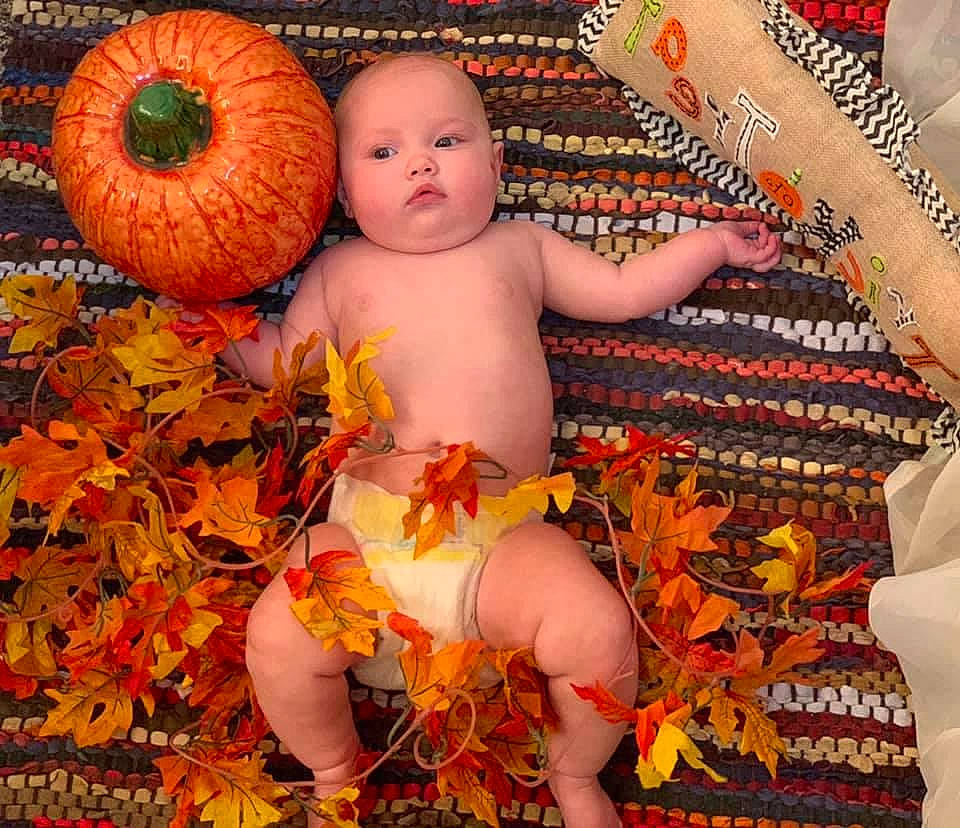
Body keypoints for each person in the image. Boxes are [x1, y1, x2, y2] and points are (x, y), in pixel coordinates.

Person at [229, 54, 781, 828]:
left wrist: (712, 247)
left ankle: (577, 775)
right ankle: (330, 766)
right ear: (345, 195)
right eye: (384, 153)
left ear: (495, 163)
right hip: (365, 545)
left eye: (446, 142)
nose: (419, 162)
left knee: (596, 629)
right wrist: (214, 325)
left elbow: (623, 292)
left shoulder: (518, 249)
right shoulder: (341, 269)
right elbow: (284, 363)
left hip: (501, 549)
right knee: (279, 630)